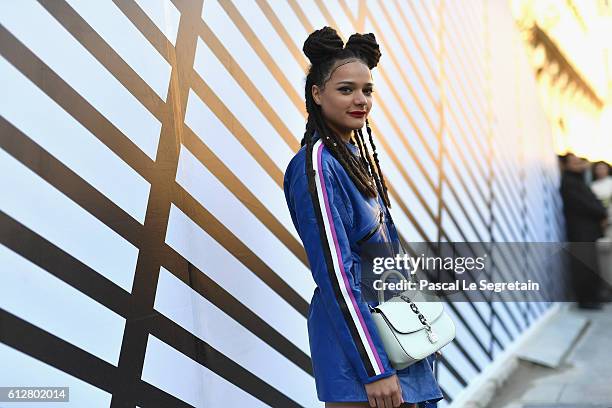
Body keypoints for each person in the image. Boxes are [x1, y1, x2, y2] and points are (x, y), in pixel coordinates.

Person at [283, 27, 443, 408]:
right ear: (317, 94)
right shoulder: (317, 166)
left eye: (367, 90)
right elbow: (336, 275)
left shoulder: (354, 157)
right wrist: (375, 368)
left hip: (395, 336)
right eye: (346, 89)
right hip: (359, 358)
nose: (360, 100)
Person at [559, 153, 608, 309]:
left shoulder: (577, 181)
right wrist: (601, 213)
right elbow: (586, 205)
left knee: (590, 266)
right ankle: (587, 300)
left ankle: (593, 297)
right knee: (584, 267)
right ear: (566, 165)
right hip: (581, 232)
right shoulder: (569, 183)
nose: (579, 165)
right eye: (575, 163)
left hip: (587, 231)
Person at [590, 161, 612, 238]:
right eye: (598, 169)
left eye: (603, 168)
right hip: (600, 220)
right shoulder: (592, 186)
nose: (601, 171)